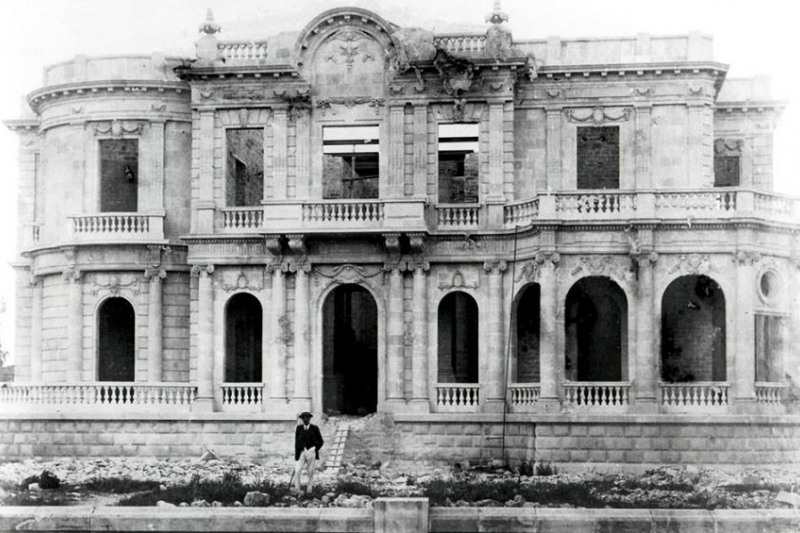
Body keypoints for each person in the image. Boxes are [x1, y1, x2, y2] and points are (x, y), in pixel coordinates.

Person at [293, 411, 323, 494]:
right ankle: (297, 490)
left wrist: (315, 448)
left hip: (311, 452)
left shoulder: (315, 428)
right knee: (297, 470)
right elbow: (296, 442)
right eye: (304, 418)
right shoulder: (299, 428)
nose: (305, 419)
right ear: (302, 419)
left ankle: (309, 490)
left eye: (307, 418)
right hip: (301, 452)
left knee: (310, 471)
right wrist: (296, 455)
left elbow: (321, 441)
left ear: (310, 419)